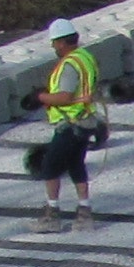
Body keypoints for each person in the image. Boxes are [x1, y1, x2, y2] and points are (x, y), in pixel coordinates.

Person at [33, 18, 102, 226]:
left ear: (62, 42)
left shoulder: (70, 65)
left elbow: (64, 97)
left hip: (70, 124)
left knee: (50, 166)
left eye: (54, 42)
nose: (54, 47)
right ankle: (84, 211)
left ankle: (52, 214)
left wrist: (41, 98)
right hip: (86, 120)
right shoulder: (85, 57)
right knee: (75, 164)